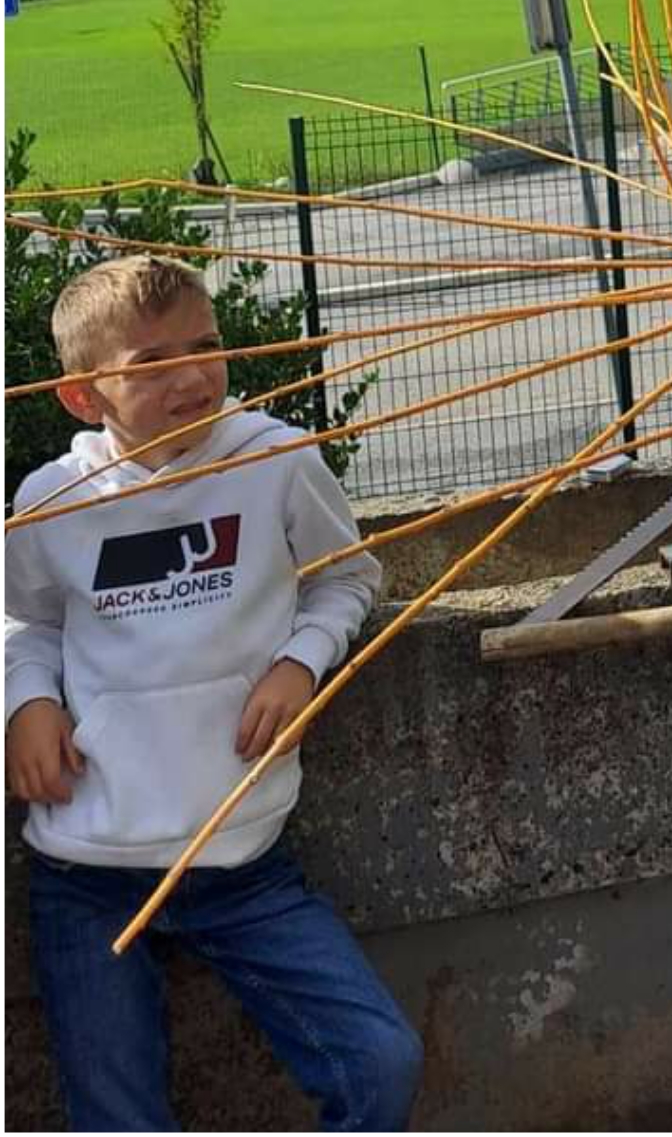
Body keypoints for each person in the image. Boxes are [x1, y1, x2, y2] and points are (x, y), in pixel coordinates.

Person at [9, 256, 420, 1134]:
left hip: (241, 860)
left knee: (381, 1062)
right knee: (118, 1119)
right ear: (85, 397)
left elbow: (348, 579)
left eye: (208, 346)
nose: (195, 377)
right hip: (88, 871)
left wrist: (300, 662)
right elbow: (25, 625)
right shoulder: (48, 502)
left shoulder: (276, 460)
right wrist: (26, 703)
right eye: (153, 364)